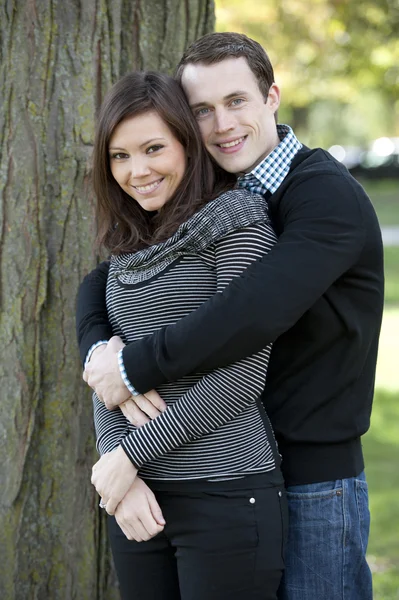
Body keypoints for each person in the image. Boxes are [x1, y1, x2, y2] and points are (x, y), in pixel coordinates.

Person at [78, 33, 384, 600]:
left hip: (314, 479)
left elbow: (246, 316)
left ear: (272, 96)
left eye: (237, 101)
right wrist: (99, 348)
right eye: (202, 111)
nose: (221, 126)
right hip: (224, 462)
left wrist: (131, 372)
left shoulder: (324, 196)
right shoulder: (222, 192)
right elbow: (106, 278)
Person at [84, 69, 287, 600]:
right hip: (136, 498)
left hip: (225, 494)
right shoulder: (127, 244)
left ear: (188, 144)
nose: (138, 171)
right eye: (120, 156)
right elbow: (108, 371)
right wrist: (117, 469)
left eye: (154, 148)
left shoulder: (236, 221)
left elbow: (240, 378)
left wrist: (128, 457)